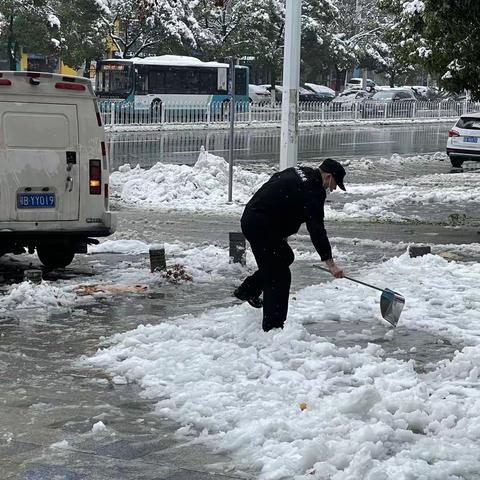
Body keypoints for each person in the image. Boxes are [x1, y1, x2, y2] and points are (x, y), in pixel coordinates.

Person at [234, 158, 346, 332]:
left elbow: (276, 184)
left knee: (285, 256)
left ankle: (248, 289)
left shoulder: (300, 171)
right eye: (334, 184)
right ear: (328, 177)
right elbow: (316, 229)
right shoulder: (314, 190)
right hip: (261, 225)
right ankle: (273, 327)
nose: (332, 189)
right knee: (278, 275)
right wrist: (330, 263)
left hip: (254, 217)